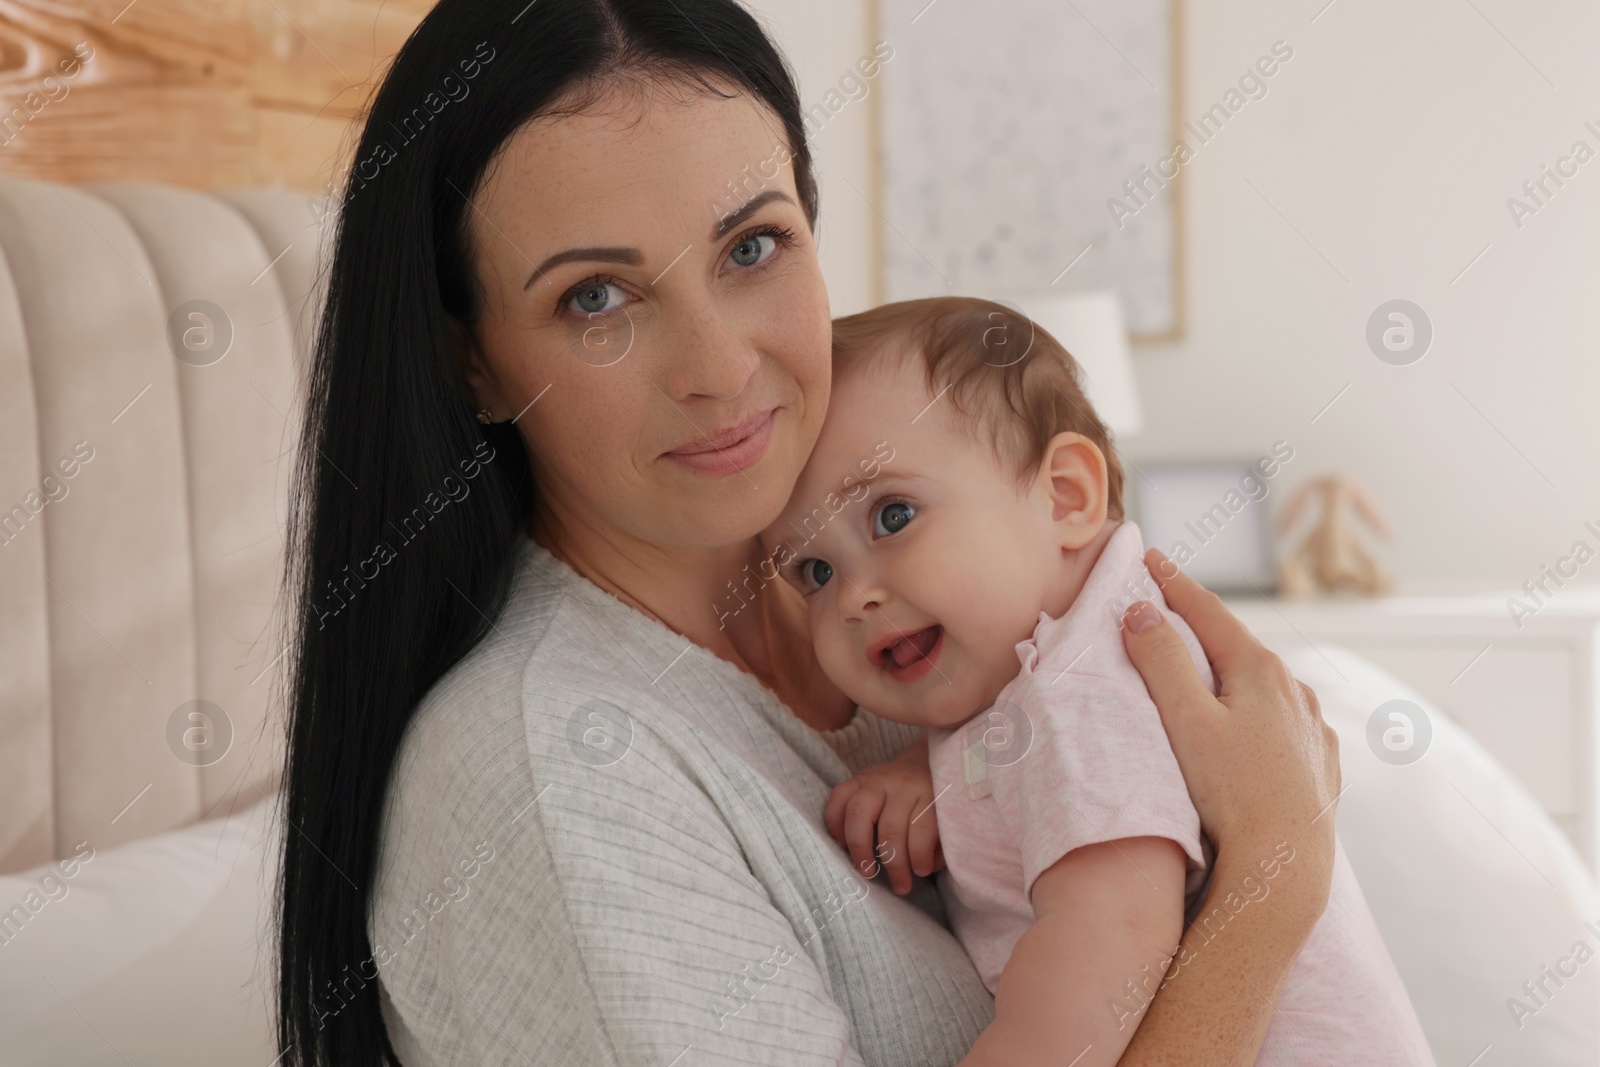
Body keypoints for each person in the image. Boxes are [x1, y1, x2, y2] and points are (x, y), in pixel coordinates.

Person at [274, 1, 1345, 1064]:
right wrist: (1276, 877)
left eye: (753, 246)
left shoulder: (922, 611)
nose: (721, 366)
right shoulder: (553, 784)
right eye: (595, 295)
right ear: (474, 362)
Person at [762, 296, 1434, 1066]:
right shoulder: (1054, 669)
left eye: (892, 516)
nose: (853, 596)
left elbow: (1114, 932)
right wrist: (935, 772)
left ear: (1066, 496)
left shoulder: (1093, 682)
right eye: (812, 571)